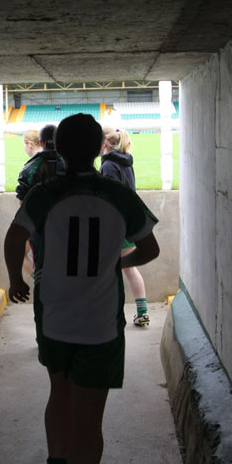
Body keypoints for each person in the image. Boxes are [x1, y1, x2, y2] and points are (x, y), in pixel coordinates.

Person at [4, 114, 159, 464]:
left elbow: (14, 237)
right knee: (90, 421)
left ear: (59, 148)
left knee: (59, 392)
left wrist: (16, 279)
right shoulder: (117, 195)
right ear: (97, 149)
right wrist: (117, 262)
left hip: (54, 317)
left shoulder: (45, 193)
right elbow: (149, 247)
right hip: (100, 326)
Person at [99, 127, 150, 326]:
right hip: (129, 222)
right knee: (129, 268)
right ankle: (142, 311)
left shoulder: (109, 166)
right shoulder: (126, 163)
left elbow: (110, 198)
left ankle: (110, 314)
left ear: (104, 143)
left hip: (115, 225)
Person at [16, 124, 65, 272]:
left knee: (43, 273)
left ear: (41, 143)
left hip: (40, 232)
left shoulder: (29, 169)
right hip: (68, 228)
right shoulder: (72, 165)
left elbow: (23, 205)